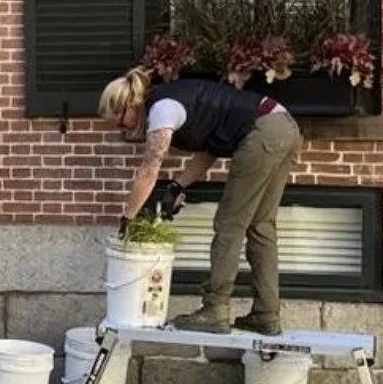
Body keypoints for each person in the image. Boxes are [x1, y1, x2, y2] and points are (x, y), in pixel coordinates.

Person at [99, 65, 302, 335]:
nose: (120, 127)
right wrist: (178, 185)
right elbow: (210, 149)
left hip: (263, 132)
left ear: (130, 104)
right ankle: (267, 315)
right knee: (261, 226)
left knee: (229, 224)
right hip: (283, 127)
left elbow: (149, 169)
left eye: (119, 119)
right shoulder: (179, 100)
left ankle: (215, 310)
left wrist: (128, 217)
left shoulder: (161, 109)